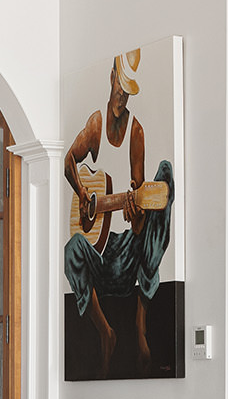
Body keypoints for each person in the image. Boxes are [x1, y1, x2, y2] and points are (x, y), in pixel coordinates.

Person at [63, 48, 174, 376]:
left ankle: (140, 324)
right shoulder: (96, 124)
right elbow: (69, 161)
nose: (122, 95)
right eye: (119, 86)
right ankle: (106, 332)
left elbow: (139, 227)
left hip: (126, 252)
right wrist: (84, 195)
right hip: (98, 255)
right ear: (112, 77)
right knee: (71, 250)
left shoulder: (136, 133)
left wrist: (135, 213)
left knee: (165, 172)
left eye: (128, 90)